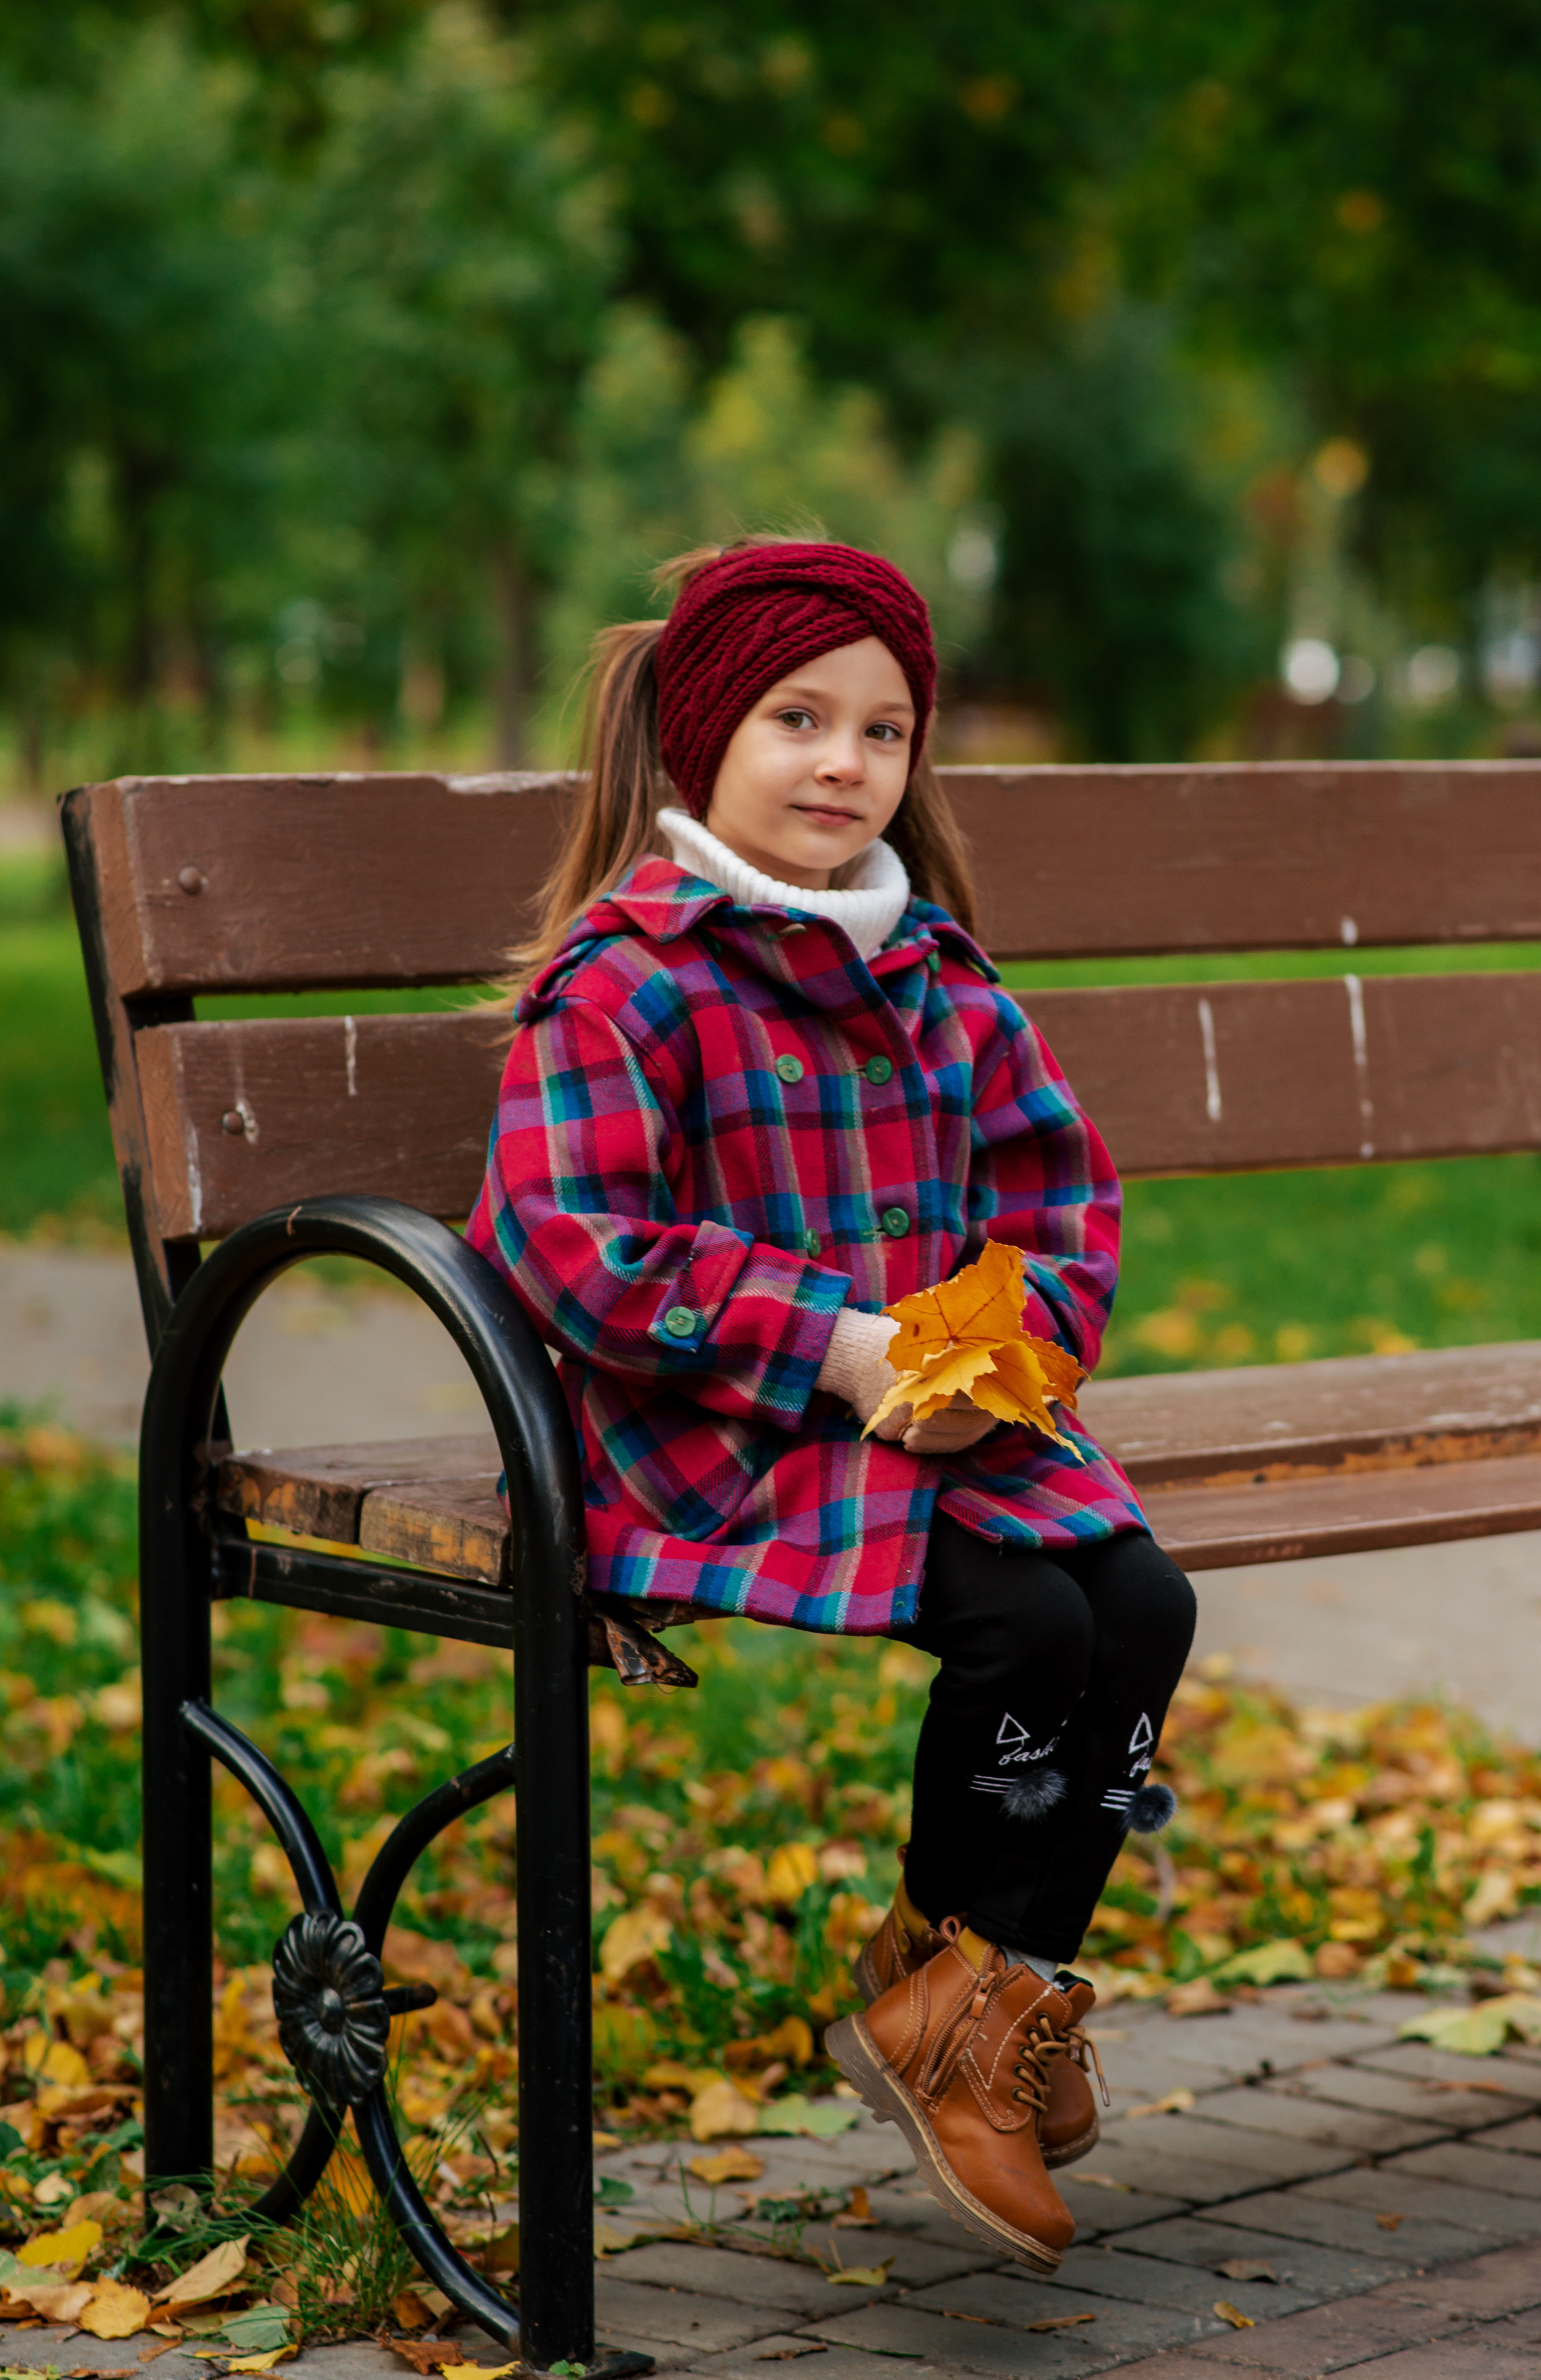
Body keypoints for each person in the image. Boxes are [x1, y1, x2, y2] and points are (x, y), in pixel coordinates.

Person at [467, 537, 1198, 2273]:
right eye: (799, 719)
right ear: (705, 735)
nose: (844, 762)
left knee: (1144, 1605)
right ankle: (956, 2004)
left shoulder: (942, 974)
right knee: (1029, 1621)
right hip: (717, 1431)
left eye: (883, 730)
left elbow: (1060, 1200)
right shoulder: (627, 981)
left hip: (930, 1419)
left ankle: (974, 1988)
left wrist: (1002, 1356)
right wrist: (840, 1346)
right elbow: (571, 1243)